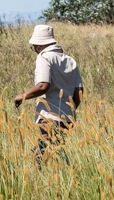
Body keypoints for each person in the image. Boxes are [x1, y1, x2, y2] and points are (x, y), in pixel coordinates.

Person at [13, 24, 83, 161]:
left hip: (49, 117)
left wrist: (22, 97)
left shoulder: (44, 57)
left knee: (43, 157)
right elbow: (79, 91)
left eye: (34, 47)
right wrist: (70, 109)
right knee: (56, 154)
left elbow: (43, 86)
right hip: (67, 118)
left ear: (39, 46)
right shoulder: (70, 60)